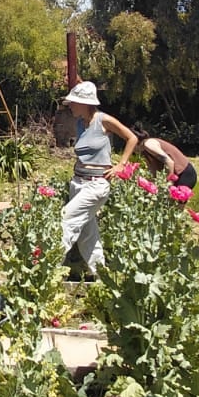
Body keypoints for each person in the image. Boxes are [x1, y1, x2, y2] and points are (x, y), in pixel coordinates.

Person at [61, 81, 138, 280]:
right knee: (88, 234)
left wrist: (121, 164)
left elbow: (131, 138)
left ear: (86, 103)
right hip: (78, 183)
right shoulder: (79, 124)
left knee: (66, 220)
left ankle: (45, 268)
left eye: (74, 102)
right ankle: (102, 277)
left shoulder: (103, 120)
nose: (70, 106)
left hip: (96, 185)